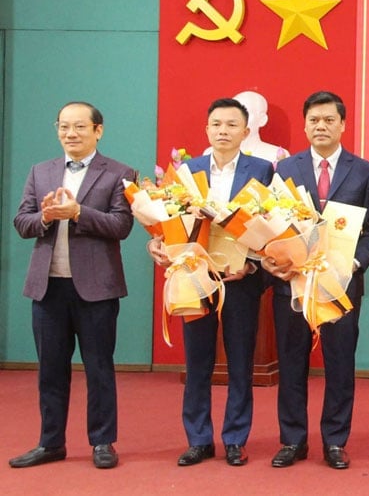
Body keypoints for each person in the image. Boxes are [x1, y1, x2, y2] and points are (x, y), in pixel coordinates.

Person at [148, 98, 274, 467]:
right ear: (206, 129)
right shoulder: (188, 171)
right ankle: (199, 438)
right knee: (197, 361)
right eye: (216, 124)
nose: (223, 131)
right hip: (196, 277)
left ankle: (235, 438)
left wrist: (251, 268)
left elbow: (270, 226)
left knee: (240, 362)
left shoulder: (262, 170)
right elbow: (170, 221)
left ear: (246, 132)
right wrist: (159, 241)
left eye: (232, 125)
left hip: (240, 280)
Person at [262, 91, 369, 469]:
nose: (321, 126)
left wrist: (356, 265)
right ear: (305, 124)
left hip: (340, 284)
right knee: (292, 362)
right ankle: (293, 439)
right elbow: (271, 225)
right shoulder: (284, 169)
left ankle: (334, 441)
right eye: (314, 119)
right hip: (293, 284)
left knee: (340, 362)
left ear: (343, 124)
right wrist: (277, 260)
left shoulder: (363, 170)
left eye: (329, 119)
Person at [10, 102, 135, 469]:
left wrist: (79, 212)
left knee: (98, 367)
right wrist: (45, 217)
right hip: (48, 288)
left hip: (97, 289)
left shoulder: (119, 173)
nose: (71, 134)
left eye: (79, 127)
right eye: (64, 127)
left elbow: (121, 227)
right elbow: (21, 221)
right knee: (50, 369)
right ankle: (51, 442)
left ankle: (102, 442)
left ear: (98, 130)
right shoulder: (41, 171)